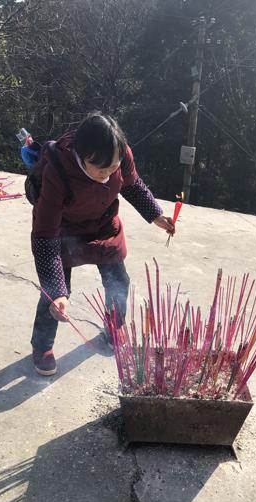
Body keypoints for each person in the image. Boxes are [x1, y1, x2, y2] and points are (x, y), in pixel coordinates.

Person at [31, 112, 175, 376]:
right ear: (82, 156)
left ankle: (113, 329)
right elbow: (45, 235)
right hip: (63, 230)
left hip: (103, 222)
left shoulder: (121, 154)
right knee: (55, 294)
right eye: (101, 169)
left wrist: (155, 214)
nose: (108, 173)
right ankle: (42, 346)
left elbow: (132, 185)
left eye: (113, 167)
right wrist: (57, 291)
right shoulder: (58, 170)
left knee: (118, 280)